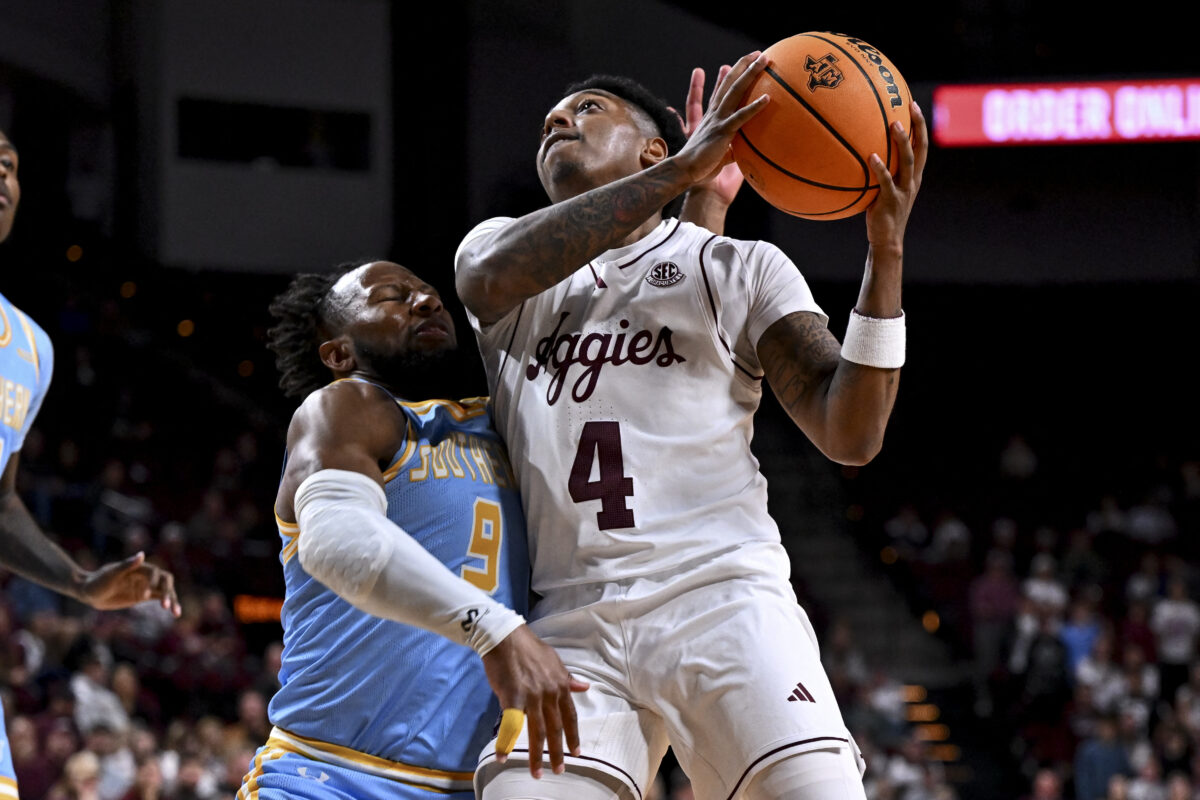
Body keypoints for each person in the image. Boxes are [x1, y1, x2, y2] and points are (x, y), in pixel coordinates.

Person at [454, 50, 927, 800]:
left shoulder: (741, 267)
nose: (558, 120)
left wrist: (886, 252)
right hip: (572, 625)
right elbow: (486, 277)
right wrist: (681, 178)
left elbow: (851, 434)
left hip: (726, 604)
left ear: (653, 146)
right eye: (555, 115)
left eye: (589, 109)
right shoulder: (501, 256)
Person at [242, 260, 585, 799]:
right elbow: (341, 542)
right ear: (339, 353)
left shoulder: (503, 425)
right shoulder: (345, 409)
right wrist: (491, 626)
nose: (426, 302)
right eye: (392, 297)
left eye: (429, 294)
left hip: (467, 785)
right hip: (326, 775)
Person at [1, 127, 180, 800]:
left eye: (11, 164)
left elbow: (0, 504)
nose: (1, 171)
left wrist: (80, 582)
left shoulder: (30, 348)